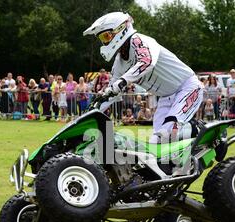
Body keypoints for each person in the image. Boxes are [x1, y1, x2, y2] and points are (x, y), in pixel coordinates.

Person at [84, 12, 204, 144]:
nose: (105, 42)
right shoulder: (119, 63)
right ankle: (186, 159)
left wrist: (122, 81)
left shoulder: (139, 40)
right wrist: (92, 110)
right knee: (155, 144)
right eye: (102, 39)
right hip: (166, 98)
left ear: (120, 30)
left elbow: (147, 61)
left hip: (187, 87)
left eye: (106, 36)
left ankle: (198, 128)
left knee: (168, 133)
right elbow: (112, 92)